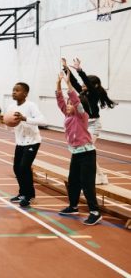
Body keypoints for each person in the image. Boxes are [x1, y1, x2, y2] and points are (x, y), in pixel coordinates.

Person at [55, 71, 102, 225]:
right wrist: (58, 83)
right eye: (67, 103)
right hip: (76, 153)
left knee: (87, 184)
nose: (68, 105)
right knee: (73, 181)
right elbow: (60, 100)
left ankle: (95, 212)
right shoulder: (67, 115)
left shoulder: (82, 116)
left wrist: (68, 84)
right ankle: (73, 206)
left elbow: (75, 100)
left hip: (87, 154)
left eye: (71, 103)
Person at [63, 58, 117, 185]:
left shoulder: (94, 93)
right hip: (84, 125)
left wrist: (80, 70)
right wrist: (66, 69)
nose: (82, 85)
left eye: (85, 84)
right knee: (87, 150)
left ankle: (98, 176)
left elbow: (86, 81)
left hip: (94, 125)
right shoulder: (82, 92)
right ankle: (100, 176)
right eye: (83, 84)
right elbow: (74, 81)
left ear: (95, 86)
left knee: (87, 150)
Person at [7, 82, 46, 208]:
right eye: (13, 90)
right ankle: (22, 193)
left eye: (17, 90)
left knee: (24, 167)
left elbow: (43, 121)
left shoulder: (31, 106)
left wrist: (25, 118)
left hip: (33, 141)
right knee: (16, 168)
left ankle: (29, 196)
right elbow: (9, 126)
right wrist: (7, 122)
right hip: (20, 142)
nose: (14, 92)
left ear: (25, 93)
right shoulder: (11, 107)